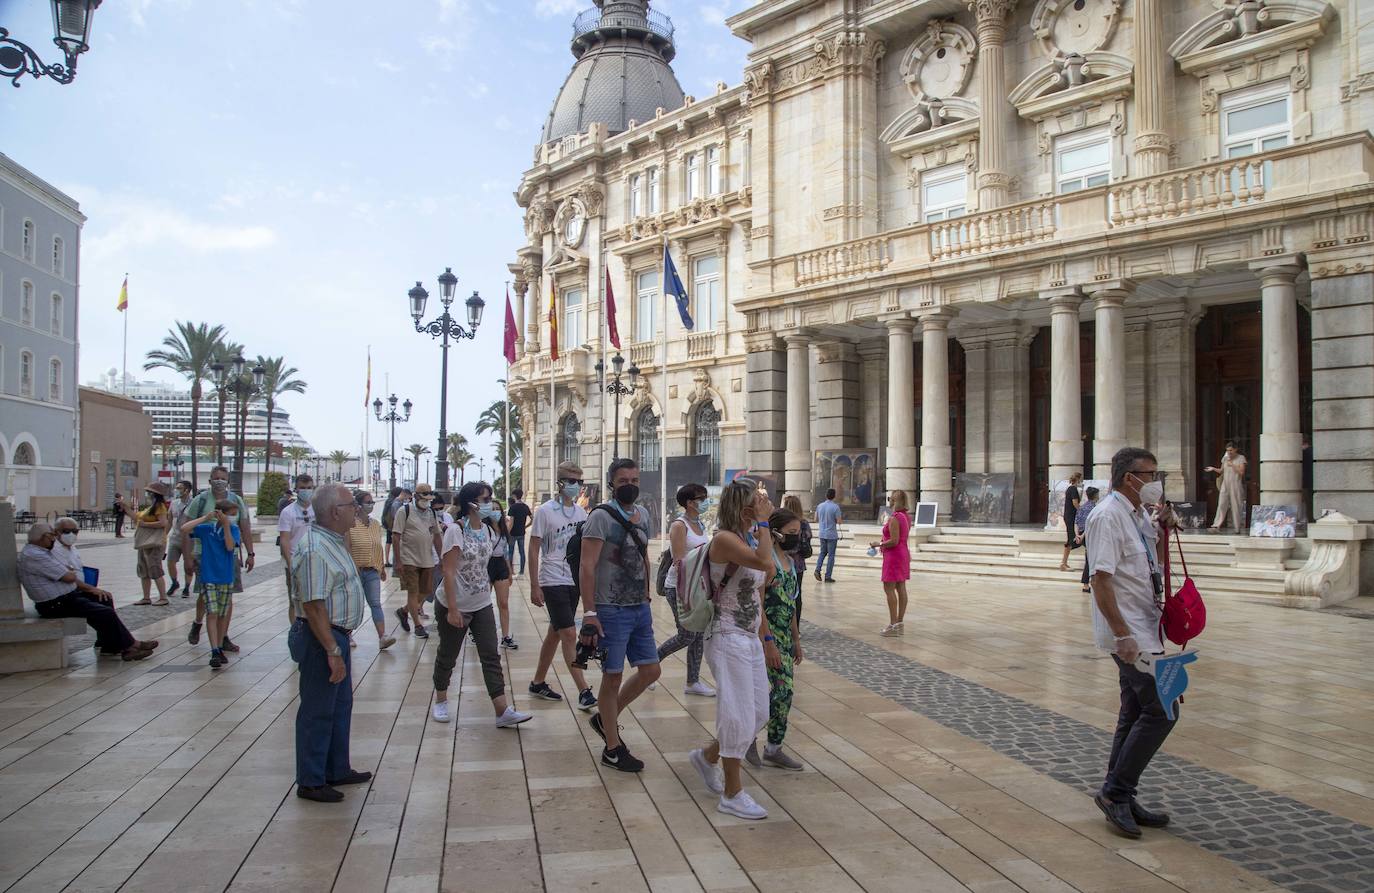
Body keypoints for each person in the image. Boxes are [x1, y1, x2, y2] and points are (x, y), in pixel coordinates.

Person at [1086, 447, 1175, 839]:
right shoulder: (1107, 516)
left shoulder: (1137, 515)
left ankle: (1121, 792)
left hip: (1145, 624)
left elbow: (1147, 564)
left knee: (1135, 710)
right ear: (1129, 477)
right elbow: (1101, 579)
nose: (1156, 482)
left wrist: (1165, 529)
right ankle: (1115, 791)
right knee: (1162, 709)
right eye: (1151, 474)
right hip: (1129, 632)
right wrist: (1122, 634)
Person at [687, 480, 775, 819]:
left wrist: (766, 638)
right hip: (726, 635)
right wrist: (765, 523)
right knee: (736, 713)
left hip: (749, 636)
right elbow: (765, 564)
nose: (765, 506)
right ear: (744, 508)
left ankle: (708, 757)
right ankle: (732, 793)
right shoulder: (724, 539)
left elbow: (758, 595)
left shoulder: (750, 537)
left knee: (758, 713)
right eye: (758, 502)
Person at [287, 483, 373, 803]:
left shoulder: (333, 540)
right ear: (335, 512)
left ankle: (336, 768)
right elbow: (313, 605)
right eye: (352, 505)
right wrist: (331, 649)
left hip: (336, 634)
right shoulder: (314, 548)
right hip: (320, 636)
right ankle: (310, 780)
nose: (358, 509)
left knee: (339, 706)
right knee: (318, 709)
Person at [431, 482, 533, 728]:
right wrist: (453, 609)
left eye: (490, 498)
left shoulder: (488, 531)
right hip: (455, 603)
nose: (489, 503)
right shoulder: (456, 531)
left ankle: (502, 710)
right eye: (485, 499)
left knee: (490, 654)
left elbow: (489, 562)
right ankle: (441, 699)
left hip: (481, 603)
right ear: (471, 504)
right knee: (448, 654)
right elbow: (448, 570)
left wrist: (506, 572)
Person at [580, 459, 659, 771]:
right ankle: (612, 748)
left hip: (638, 606)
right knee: (612, 677)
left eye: (635, 479)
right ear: (612, 483)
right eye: (624, 480)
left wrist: (647, 591)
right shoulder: (600, 516)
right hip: (610, 608)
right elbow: (587, 566)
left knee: (651, 671)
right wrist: (589, 613)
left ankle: (605, 718)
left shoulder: (644, 515)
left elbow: (643, 555)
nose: (630, 484)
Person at [18, 524, 158, 661]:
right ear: (43, 537)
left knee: (104, 599)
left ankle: (109, 647)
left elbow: (68, 573)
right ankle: (130, 647)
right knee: (104, 613)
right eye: (51, 536)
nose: (54, 539)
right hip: (55, 603)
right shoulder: (35, 555)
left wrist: (71, 573)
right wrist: (69, 572)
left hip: (67, 597)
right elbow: (69, 576)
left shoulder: (43, 552)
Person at [527, 461, 595, 709]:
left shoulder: (581, 513)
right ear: (560, 483)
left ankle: (538, 682)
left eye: (579, 481)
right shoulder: (545, 511)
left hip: (572, 579)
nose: (575, 486)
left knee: (555, 632)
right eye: (571, 481)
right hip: (552, 578)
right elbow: (534, 548)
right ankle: (584, 690)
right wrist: (534, 585)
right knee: (568, 633)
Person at [745, 507, 805, 772]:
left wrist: (796, 639)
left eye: (799, 532)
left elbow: (791, 605)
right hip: (767, 638)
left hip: (784, 638)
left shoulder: (790, 563)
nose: (796, 537)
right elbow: (758, 604)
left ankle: (773, 747)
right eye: (792, 533)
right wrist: (767, 640)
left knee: (785, 693)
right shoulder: (766, 561)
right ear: (777, 532)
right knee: (779, 691)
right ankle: (750, 740)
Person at [182, 466, 255, 650]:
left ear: (228, 481)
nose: (219, 481)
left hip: (228, 555)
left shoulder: (235, 500)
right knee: (205, 595)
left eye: (223, 478)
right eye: (216, 478)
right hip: (203, 554)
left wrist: (250, 553)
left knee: (228, 598)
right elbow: (185, 528)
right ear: (210, 480)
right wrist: (187, 558)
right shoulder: (201, 500)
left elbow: (245, 526)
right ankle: (198, 622)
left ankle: (223, 636)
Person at [656, 483, 715, 697]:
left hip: (698, 586)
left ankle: (693, 682)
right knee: (687, 634)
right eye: (702, 498)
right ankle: (651, 664)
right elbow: (680, 560)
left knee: (697, 635)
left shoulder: (699, 523)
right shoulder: (679, 526)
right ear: (690, 502)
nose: (706, 501)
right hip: (680, 585)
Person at [182, 498, 241, 669]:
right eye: (231, 515)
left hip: (226, 577)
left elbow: (230, 547)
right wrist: (205, 518)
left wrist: (227, 526)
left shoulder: (233, 529)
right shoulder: (207, 530)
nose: (232, 518)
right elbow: (185, 529)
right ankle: (214, 649)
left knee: (222, 614)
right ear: (220, 513)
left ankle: (220, 645)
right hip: (209, 577)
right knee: (212, 613)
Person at [347, 489, 397, 651]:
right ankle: (347, 634)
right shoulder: (350, 524)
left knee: (375, 603)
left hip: (372, 570)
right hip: (355, 571)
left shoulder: (375, 524)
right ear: (358, 505)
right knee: (354, 604)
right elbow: (347, 548)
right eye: (368, 502)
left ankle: (382, 636)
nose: (371, 505)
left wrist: (381, 567)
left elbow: (378, 547)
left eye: (372, 502)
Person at [391, 482, 442, 640]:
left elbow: (437, 535)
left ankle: (404, 611)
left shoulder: (431, 513)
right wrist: (398, 561)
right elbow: (396, 535)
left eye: (428, 495)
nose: (426, 498)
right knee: (413, 592)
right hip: (409, 559)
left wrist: (442, 557)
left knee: (425, 591)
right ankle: (418, 626)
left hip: (427, 559)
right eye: (423, 495)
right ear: (415, 495)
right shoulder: (404, 511)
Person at [872, 489, 911, 636]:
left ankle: (893, 624)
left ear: (894, 501)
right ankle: (899, 623)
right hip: (903, 553)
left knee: (889, 588)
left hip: (894, 555)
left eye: (890, 498)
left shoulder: (894, 518)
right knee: (901, 586)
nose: (889, 501)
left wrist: (878, 544)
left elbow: (894, 541)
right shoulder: (906, 516)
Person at [279, 474, 317, 623]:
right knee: (295, 600)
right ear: (296, 489)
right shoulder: (288, 512)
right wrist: (291, 564)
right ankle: (296, 632)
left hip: (315, 560)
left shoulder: (318, 510)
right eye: (302, 488)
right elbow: (285, 540)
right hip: (296, 561)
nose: (306, 491)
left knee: (316, 601)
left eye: (309, 488)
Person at [131, 482, 173, 606]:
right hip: (145, 542)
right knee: (143, 569)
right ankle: (146, 597)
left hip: (155, 542)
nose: (147, 494)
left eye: (149, 492)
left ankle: (163, 597)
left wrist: (145, 525)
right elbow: (136, 518)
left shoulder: (160, 506)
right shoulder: (151, 506)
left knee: (154, 568)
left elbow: (163, 523)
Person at [488, 498, 517, 650]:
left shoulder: (504, 529)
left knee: (503, 603)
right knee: (484, 603)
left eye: (497, 509)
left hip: (500, 564)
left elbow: (505, 552)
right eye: (491, 508)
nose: (495, 511)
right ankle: (478, 632)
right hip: (486, 564)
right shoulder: (484, 528)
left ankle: (505, 636)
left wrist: (510, 570)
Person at [782, 495, 812, 623]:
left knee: (783, 593)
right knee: (797, 593)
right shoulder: (804, 523)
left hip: (784, 562)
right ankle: (796, 626)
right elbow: (808, 538)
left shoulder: (784, 524)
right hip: (799, 563)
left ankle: (786, 622)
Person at [1206, 443, 1247, 532]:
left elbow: (1241, 472)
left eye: (1231, 450)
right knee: (1221, 504)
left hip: (1235, 484)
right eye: (1227, 450)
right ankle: (1216, 526)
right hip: (1225, 484)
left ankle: (1237, 527)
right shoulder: (1225, 458)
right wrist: (1213, 469)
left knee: (1236, 506)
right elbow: (1221, 471)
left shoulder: (1241, 458)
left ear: (1235, 449)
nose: (1229, 452)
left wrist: (1232, 464)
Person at [166, 480, 194, 597]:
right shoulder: (174, 503)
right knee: (170, 561)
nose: (177, 490)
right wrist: (164, 535)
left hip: (189, 538)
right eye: (176, 488)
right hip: (175, 537)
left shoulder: (194, 503)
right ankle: (174, 582)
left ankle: (187, 587)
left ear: (187, 490)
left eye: (179, 488)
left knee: (188, 564)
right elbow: (169, 520)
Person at [814, 489, 842, 583]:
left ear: (826, 495)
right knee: (831, 555)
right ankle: (828, 576)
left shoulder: (820, 506)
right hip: (832, 535)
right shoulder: (835, 507)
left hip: (822, 533)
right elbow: (839, 521)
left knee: (822, 553)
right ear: (834, 496)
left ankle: (817, 570)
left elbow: (815, 519)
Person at [1076, 486, 1101, 593]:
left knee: (1089, 559)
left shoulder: (1082, 507)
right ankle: (1087, 584)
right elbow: (1090, 525)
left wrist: (1078, 535)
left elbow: (1076, 522)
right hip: (1088, 535)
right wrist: (1082, 536)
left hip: (1082, 534)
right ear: (1095, 495)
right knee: (1090, 559)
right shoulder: (1094, 508)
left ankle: (1087, 583)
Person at [1059, 472, 1083, 572]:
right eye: (1081, 479)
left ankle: (1064, 563)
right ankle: (1063, 563)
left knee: (1071, 538)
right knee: (1071, 538)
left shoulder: (1070, 488)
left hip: (1070, 516)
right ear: (1078, 479)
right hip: (1070, 516)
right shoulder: (1073, 489)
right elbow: (1075, 502)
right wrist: (1081, 511)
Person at [507, 489, 531, 575]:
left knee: (510, 552)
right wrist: (526, 526)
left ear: (514, 496)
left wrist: (507, 533)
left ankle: (510, 571)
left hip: (513, 533)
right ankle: (521, 571)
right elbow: (532, 518)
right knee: (522, 552)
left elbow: (511, 523)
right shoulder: (525, 507)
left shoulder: (513, 507)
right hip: (521, 532)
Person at [380, 486, 404, 568]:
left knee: (388, 542)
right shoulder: (395, 501)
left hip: (387, 524)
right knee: (393, 541)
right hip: (393, 524)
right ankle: (390, 560)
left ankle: (386, 560)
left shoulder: (388, 500)